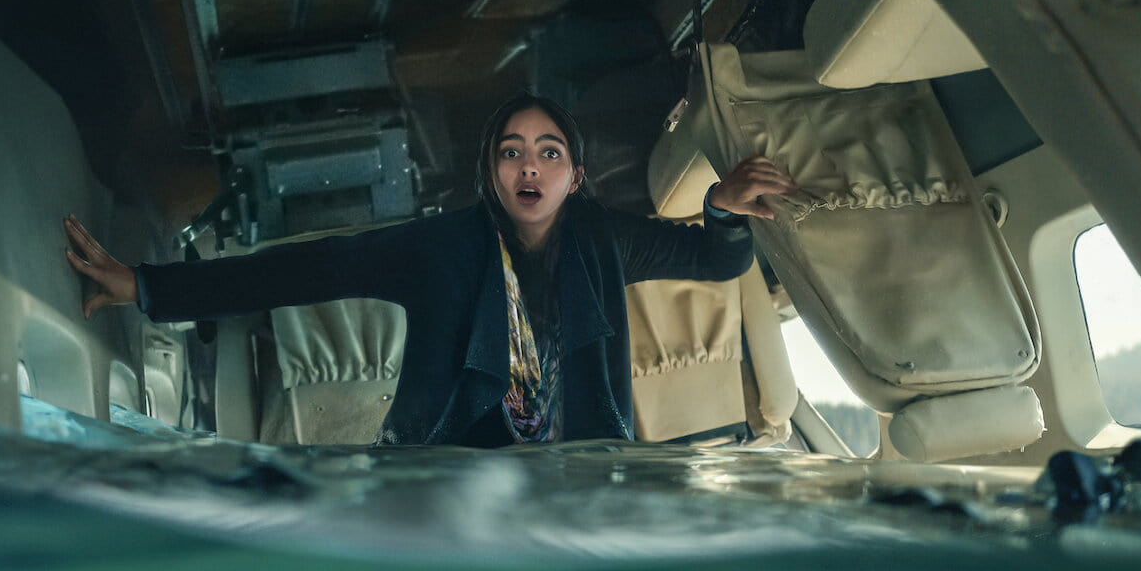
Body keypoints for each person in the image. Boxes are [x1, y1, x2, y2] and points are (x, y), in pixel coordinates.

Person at [65, 92, 795, 447]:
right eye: (511, 152)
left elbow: (716, 258)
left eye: (549, 153)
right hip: (444, 474)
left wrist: (721, 206)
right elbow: (307, 271)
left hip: (581, 478)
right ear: (490, 171)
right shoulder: (439, 247)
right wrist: (148, 287)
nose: (529, 167)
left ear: (575, 176)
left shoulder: (606, 240)